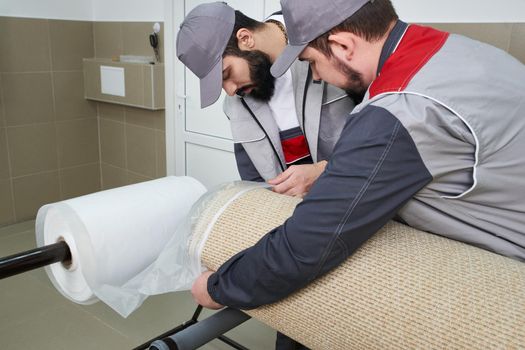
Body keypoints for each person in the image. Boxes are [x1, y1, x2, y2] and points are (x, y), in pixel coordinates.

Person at [191, 0, 525, 315]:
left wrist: (218, 287)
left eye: (310, 62)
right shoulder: (455, 50)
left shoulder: (399, 112)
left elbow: (307, 244)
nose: (317, 76)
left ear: (344, 46)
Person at [176, 2, 355, 197]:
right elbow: (253, 184)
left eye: (226, 74)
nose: (230, 91)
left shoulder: (324, 38)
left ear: (245, 38)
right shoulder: (236, 105)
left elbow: (382, 139)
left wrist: (325, 172)